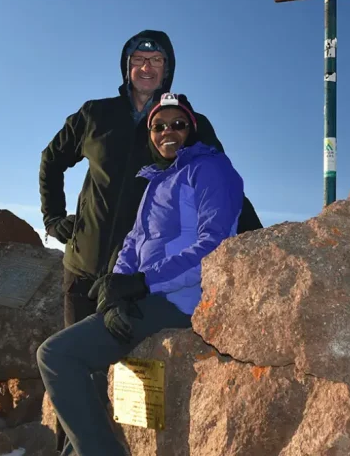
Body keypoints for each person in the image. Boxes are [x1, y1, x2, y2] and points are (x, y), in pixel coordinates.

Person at [37, 93, 244, 456]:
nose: (168, 132)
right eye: (159, 126)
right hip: (146, 296)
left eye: (177, 124)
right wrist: (116, 288)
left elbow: (213, 246)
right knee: (90, 370)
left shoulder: (210, 169)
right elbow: (133, 242)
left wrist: (143, 283)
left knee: (56, 355)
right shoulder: (157, 180)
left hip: (179, 300)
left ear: (191, 130)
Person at [39, 29, 262, 328]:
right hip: (82, 269)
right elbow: (51, 160)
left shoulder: (186, 123)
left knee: (134, 372)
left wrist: (258, 241)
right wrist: (53, 217)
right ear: (126, 66)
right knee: (80, 358)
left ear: (167, 70)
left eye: (156, 60)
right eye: (139, 59)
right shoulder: (95, 114)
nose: (146, 68)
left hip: (140, 277)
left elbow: (223, 188)